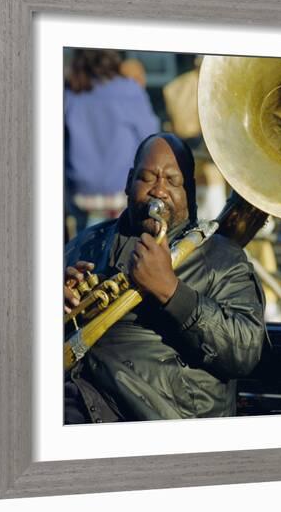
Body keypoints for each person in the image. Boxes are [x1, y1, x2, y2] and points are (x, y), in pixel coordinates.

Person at [64, 132, 266, 423]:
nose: (158, 191)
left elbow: (245, 349)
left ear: (190, 193)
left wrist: (171, 291)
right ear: (129, 182)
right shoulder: (88, 241)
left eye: (172, 181)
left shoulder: (223, 258)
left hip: (151, 416)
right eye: (148, 177)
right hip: (77, 398)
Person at [64, 49, 159, 235]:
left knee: (83, 251)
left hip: (80, 192)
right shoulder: (128, 90)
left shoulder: (69, 93)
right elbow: (151, 139)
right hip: (120, 191)